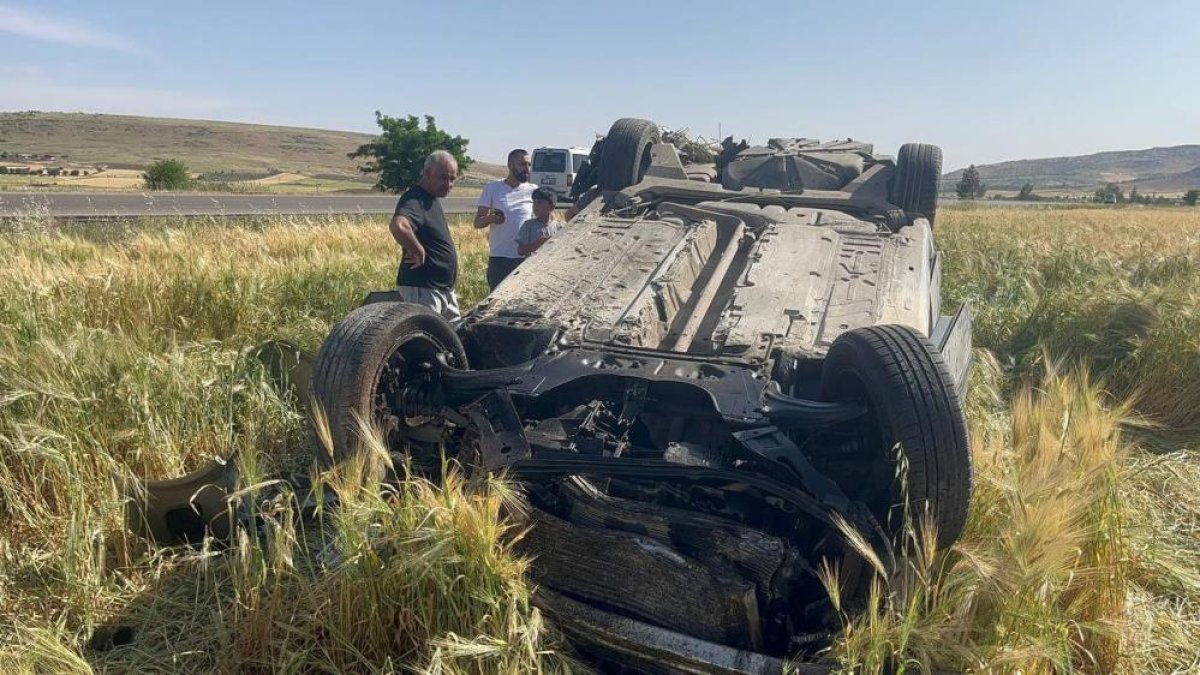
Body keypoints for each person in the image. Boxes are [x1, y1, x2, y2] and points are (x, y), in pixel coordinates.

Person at [388, 150, 461, 321]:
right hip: (424, 289)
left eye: (452, 179)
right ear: (428, 173)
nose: (449, 184)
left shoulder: (430, 199)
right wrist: (417, 250)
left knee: (456, 339)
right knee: (427, 342)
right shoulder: (415, 199)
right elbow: (399, 226)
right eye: (443, 177)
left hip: (441, 289)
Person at [475, 148, 536, 289]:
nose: (526, 169)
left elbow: (544, 220)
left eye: (528, 164)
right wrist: (491, 218)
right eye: (522, 164)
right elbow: (477, 222)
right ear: (510, 165)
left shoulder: (533, 190)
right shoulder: (493, 188)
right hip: (500, 258)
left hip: (524, 258)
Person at [515, 187, 562, 257]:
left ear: (551, 207)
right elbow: (520, 251)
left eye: (539, 202)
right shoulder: (528, 225)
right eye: (534, 202)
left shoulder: (558, 227)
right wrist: (537, 243)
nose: (535, 206)